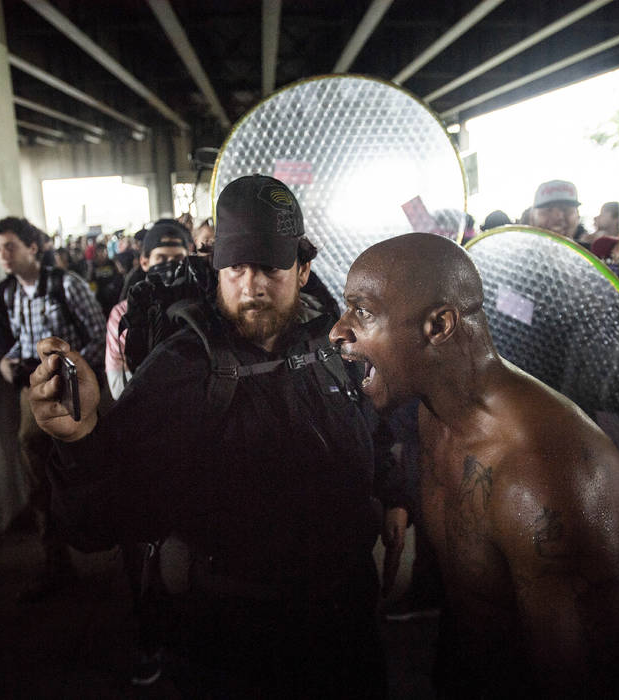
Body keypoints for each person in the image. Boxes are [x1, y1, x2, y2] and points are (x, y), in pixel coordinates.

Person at [29, 175, 407, 696]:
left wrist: (392, 494)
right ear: (217, 270)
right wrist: (78, 441)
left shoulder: (333, 346)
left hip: (345, 626)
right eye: (235, 268)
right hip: (230, 642)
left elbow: (372, 423)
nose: (250, 286)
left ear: (303, 269)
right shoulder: (181, 367)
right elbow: (95, 526)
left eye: (270, 268)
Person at [330, 232, 619, 697]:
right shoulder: (434, 414)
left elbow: (585, 680)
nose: (338, 330)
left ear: (439, 326)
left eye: (362, 311)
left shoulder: (545, 476)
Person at [0, 215, 107, 602]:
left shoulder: (65, 284)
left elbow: (99, 335)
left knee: (87, 467)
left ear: (33, 247)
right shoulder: (8, 294)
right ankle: (55, 560)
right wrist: (9, 363)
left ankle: (108, 551)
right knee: (37, 474)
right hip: (32, 395)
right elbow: (18, 342)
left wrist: (67, 371)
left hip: (72, 389)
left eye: (10, 246)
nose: (3, 255)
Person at [104, 226, 189, 397]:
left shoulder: (200, 308)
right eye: (161, 258)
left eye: (178, 258)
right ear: (144, 262)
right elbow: (117, 387)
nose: (171, 265)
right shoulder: (123, 314)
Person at [530, 179, 588, 245]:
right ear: (532, 218)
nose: (558, 217)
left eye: (566, 210)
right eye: (548, 210)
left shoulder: (593, 254)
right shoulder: (519, 253)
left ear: (578, 216)